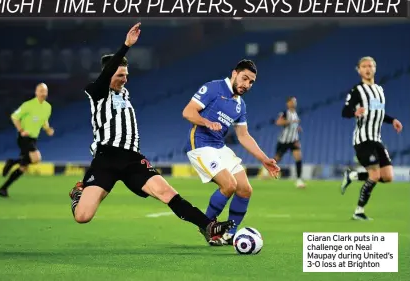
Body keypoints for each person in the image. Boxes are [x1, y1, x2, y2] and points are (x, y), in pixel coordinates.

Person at [68, 23, 234, 241]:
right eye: (119, 75)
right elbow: (107, 73)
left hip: (132, 158)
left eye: (126, 75)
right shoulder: (97, 92)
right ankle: (78, 194)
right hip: (105, 159)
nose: (124, 79)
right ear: (107, 75)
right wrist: (127, 45)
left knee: (167, 193)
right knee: (83, 216)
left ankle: (208, 227)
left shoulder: (124, 94)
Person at [182, 59, 280, 246]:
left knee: (245, 189)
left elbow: (243, 136)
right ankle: (207, 226)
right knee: (229, 185)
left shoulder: (240, 105)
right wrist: (206, 122)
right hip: (201, 145)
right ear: (234, 73)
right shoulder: (213, 88)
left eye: (251, 82)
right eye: (244, 78)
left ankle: (229, 235)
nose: (247, 85)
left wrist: (264, 160)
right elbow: (188, 112)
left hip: (219, 147)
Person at [341, 56, 403, 220]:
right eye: (364, 66)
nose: (368, 69)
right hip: (363, 140)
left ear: (375, 69)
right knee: (374, 175)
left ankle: (352, 176)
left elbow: (378, 113)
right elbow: (345, 111)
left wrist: (392, 120)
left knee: (388, 177)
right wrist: (354, 112)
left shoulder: (379, 90)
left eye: (370, 66)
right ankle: (358, 212)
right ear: (359, 70)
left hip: (377, 139)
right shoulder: (357, 91)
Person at [0, 83, 54, 197]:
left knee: (23, 167)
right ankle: (12, 162)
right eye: (41, 91)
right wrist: (21, 130)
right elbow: (14, 117)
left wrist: (47, 129)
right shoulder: (28, 105)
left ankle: (3, 189)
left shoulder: (48, 107)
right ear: (36, 92)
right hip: (24, 137)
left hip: (33, 138)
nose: (43, 93)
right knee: (37, 158)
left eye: (45, 91)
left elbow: (44, 120)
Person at [274, 96, 305, 188]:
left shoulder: (295, 113)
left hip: (294, 140)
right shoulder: (285, 113)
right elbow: (278, 122)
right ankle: (265, 171)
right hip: (284, 141)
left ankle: (299, 180)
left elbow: (293, 125)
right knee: (277, 159)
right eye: (292, 101)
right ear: (288, 103)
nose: (294, 103)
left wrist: (297, 128)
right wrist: (291, 121)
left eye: (295, 101)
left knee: (298, 158)